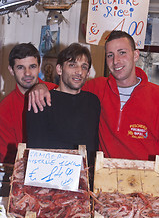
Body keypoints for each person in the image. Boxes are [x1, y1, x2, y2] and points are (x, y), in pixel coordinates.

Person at [28, 31, 159, 161]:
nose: (116, 61)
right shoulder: (97, 88)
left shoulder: (156, 96)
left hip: (146, 178)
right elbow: (66, 90)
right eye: (110, 55)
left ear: (136, 55)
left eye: (122, 52)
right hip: (102, 175)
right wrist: (40, 86)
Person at [26, 43, 101, 185]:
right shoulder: (41, 99)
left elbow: (93, 150)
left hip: (85, 187)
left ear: (88, 72)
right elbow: (34, 152)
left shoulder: (93, 103)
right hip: (48, 185)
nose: (79, 71)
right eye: (72, 65)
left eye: (84, 67)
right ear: (59, 69)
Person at [0, 43, 56, 164]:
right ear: (11, 70)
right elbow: (7, 160)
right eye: (20, 67)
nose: (27, 73)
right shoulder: (4, 109)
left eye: (32, 66)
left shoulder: (56, 92)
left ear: (39, 67)